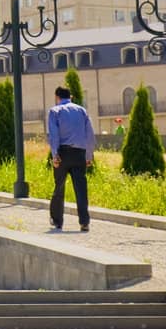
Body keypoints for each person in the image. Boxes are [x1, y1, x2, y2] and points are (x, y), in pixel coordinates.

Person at [47, 84, 95, 232]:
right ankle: (84, 222)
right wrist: (88, 155)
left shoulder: (54, 111)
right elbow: (90, 135)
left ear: (57, 97)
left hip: (63, 153)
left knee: (59, 187)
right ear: (71, 97)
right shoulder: (82, 111)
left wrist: (55, 155)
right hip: (79, 153)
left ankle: (57, 221)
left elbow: (54, 135)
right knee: (81, 188)